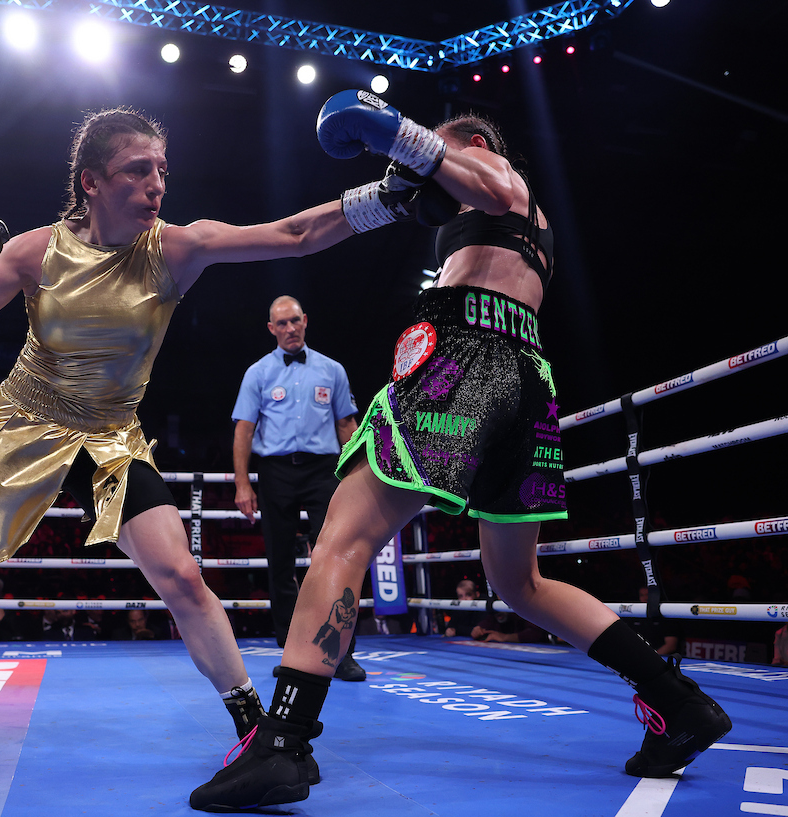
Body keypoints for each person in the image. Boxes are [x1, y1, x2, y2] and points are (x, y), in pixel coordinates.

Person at [0, 106, 429, 792]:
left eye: (163, 171)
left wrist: (387, 197)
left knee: (182, 578)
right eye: (138, 170)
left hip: (111, 436)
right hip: (22, 422)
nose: (156, 185)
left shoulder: (178, 248)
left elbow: (297, 233)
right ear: (91, 179)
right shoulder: (34, 249)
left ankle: (251, 724)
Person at [191, 91, 733, 810]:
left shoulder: (494, 175)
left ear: (474, 143)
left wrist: (402, 136)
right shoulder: (500, 223)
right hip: (526, 378)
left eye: (440, 153)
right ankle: (677, 699)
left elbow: (489, 178)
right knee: (519, 583)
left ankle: (283, 743)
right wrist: (386, 189)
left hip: (462, 361)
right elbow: (308, 229)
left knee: (342, 539)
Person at [231, 296, 364, 680]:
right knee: (280, 563)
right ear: (271, 329)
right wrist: (243, 482)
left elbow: (346, 426)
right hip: (275, 472)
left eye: (295, 321)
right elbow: (244, 428)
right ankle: (292, 652)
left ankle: (342, 653)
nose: (290, 329)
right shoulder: (257, 373)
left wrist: (358, 478)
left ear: (305, 321)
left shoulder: (332, 369)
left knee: (339, 556)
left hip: (324, 471)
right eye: (282, 324)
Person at [626, 586, 683, 656]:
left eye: (648, 595)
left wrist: (651, 658)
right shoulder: (635, 616)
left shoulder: (666, 616)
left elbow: (670, 646)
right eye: (642, 595)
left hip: (661, 659)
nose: (645, 598)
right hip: (638, 657)